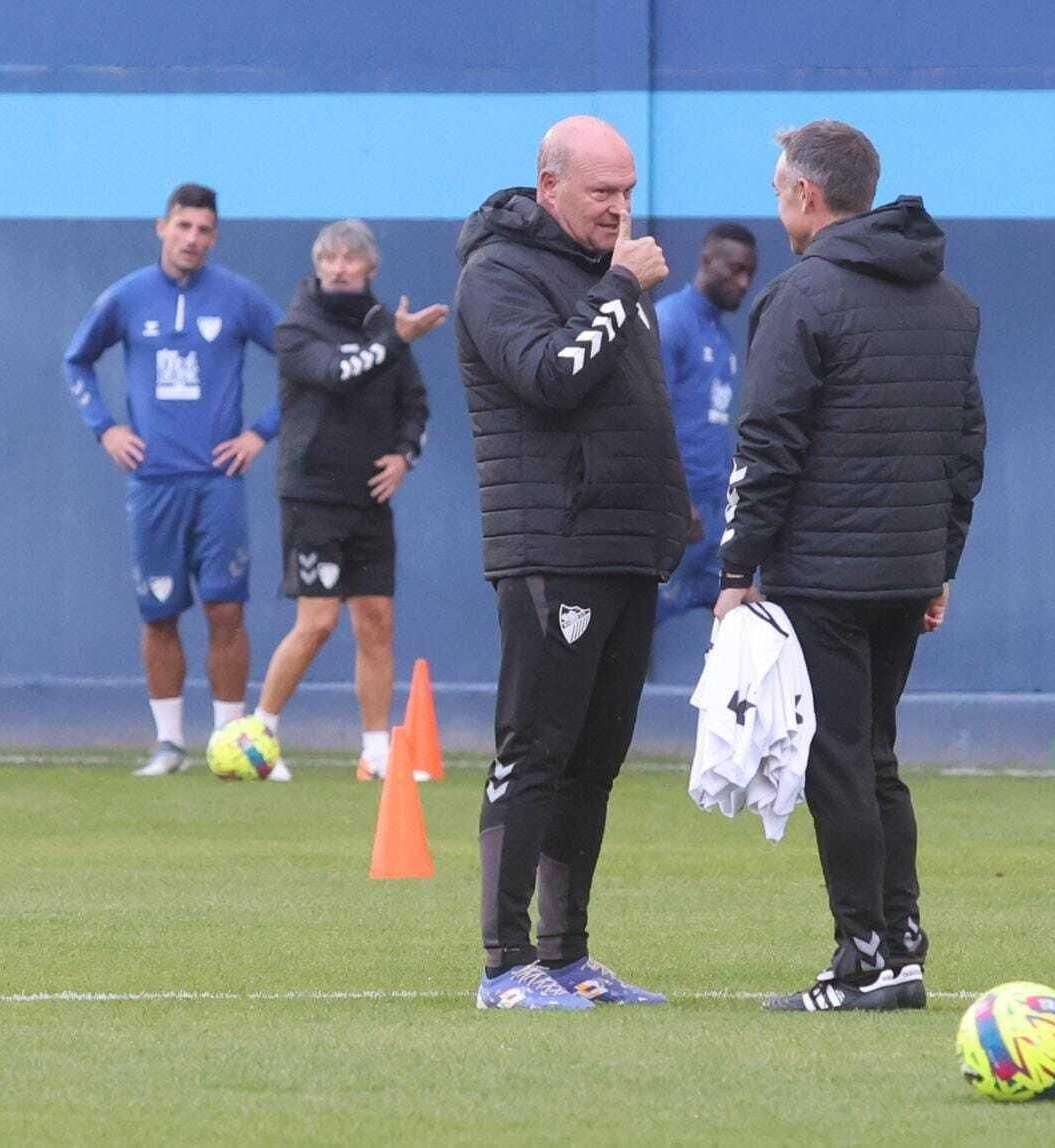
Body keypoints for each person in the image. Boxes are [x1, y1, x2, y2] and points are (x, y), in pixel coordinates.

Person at [713, 120, 986, 1012]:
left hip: (824, 578)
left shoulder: (802, 297)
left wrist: (736, 570)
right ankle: (901, 952)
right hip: (907, 575)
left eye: (777, 183)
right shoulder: (949, 300)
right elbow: (964, 449)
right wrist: (940, 563)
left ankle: (860, 959)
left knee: (837, 762)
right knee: (873, 758)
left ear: (804, 194)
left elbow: (768, 442)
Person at [454, 115, 691, 1010]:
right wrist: (623, 287)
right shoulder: (498, 273)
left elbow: (636, 413)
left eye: (629, 192)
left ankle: (567, 956)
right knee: (537, 749)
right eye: (603, 193)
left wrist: (673, 520)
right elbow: (552, 379)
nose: (620, 209)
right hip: (552, 545)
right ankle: (504, 964)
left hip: (625, 547)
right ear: (549, 186)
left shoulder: (605, 278)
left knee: (595, 760)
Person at [64, 183, 284, 777]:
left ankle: (229, 738)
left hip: (219, 483)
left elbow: (301, 358)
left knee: (225, 611)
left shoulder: (237, 297)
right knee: (159, 614)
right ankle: (168, 744)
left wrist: (261, 431)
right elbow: (76, 359)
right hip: (153, 483)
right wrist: (105, 428)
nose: (193, 239)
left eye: (204, 230)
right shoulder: (128, 296)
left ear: (215, 236)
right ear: (161, 227)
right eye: (183, 226)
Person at [250, 220, 443, 779]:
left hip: (369, 499)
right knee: (317, 622)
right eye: (328, 258)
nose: (338, 267)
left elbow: (416, 404)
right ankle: (260, 732)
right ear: (317, 267)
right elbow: (337, 374)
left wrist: (404, 455)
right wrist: (396, 340)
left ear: (370, 269)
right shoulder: (295, 328)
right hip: (312, 495)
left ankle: (376, 752)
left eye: (349, 259)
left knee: (376, 619)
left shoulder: (387, 325)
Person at [654, 224, 759, 626]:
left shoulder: (721, 337)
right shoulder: (671, 323)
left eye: (749, 271)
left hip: (713, 519)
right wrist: (674, 498)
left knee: (752, 616)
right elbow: (650, 417)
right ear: (705, 261)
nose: (744, 282)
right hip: (678, 517)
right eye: (734, 269)